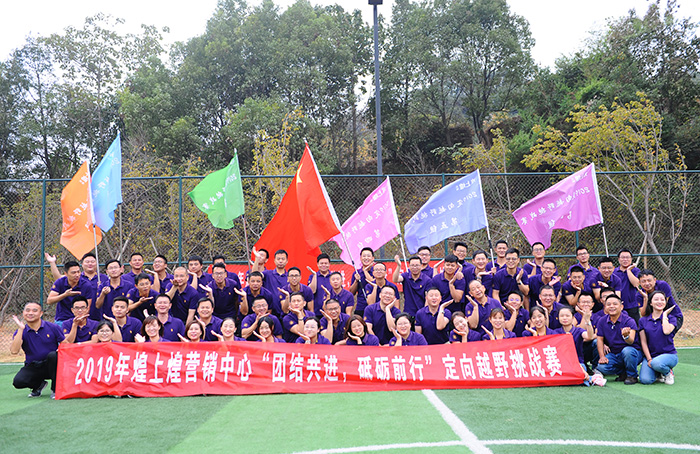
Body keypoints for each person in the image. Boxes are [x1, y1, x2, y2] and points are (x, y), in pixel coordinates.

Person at [10, 302, 65, 398]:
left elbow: (65, 344)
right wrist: (21, 329)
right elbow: (14, 351)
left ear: (41, 313)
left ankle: (55, 390)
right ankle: (38, 385)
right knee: (18, 382)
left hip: (52, 365)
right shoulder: (21, 331)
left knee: (53, 355)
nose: (30, 313)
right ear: (23, 313)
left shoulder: (53, 327)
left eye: (34, 310)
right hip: (33, 366)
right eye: (27, 310)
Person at [595, 294, 643, 385]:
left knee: (627, 351)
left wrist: (626, 336)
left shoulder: (629, 321)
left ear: (621, 307)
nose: (611, 306)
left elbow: (631, 341)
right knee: (602, 367)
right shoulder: (602, 321)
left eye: (615, 304)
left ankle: (632, 376)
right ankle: (623, 372)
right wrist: (602, 356)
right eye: (608, 304)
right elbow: (600, 339)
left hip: (633, 352)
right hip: (615, 354)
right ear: (605, 307)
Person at [46, 252, 108, 320]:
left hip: (96, 315)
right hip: (69, 317)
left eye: (92, 261)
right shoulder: (76, 278)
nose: (90, 264)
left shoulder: (104, 278)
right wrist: (52, 263)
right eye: (87, 262)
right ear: (82, 264)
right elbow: (58, 277)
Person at [639, 291, 678, 385]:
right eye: (656, 299)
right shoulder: (643, 320)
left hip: (669, 355)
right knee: (645, 380)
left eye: (662, 300)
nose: (659, 302)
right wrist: (649, 359)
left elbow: (666, 331)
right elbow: (643, 342)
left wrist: (664, 315)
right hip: (652, 356)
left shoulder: (671, 318)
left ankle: (667, 372)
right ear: (651, 303)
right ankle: (658, 373)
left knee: (656, 363)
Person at [555, 305, 599, 385]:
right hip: (561, 364)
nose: (564, 318)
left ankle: (589, 378)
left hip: (578, 363)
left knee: (577, 376)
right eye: (562, 316)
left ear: (573, 318)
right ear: (558, 318)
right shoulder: (555, 332)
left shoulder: (578, 331)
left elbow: (590, 336)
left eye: (567, 316)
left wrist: (587, 321)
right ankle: (590, 379)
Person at [46, 260, 93, 325]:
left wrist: (79, 320)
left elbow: (87, 307)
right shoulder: (60, 282)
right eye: (73, 273)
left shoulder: (86, 285)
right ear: (66, 273)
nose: (77, 275)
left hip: (79, 319)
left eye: (78, 272)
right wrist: (65, 295)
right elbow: (49, 301)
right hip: (62, 319)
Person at [613, 248, 641, 320]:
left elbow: (636, 284)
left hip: (632, 305)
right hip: (616, 305)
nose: (625, 259)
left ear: (631, 259)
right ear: (618, 259)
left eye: (627, 257)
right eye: (623, 257)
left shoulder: (635, 270)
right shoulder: (614, 272)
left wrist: (628, 270)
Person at [349, 247, 375, 315]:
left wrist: (365, 271)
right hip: (361, 307)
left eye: (368, 256)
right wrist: (356, 281)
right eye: (364, 256)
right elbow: (352, 292)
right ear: (360, 258)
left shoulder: (376, 271)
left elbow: (374, 284)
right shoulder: (356, 273)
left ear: (373, 258)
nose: (366, 258)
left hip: (374, 306)